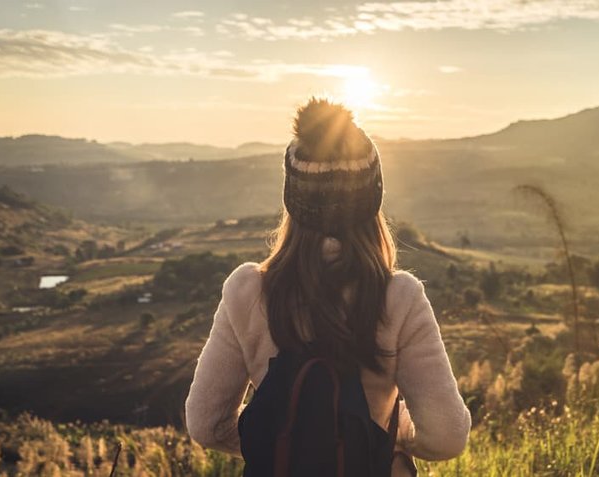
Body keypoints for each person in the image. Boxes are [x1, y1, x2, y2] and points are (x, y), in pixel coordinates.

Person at [185, 98, 471, 475]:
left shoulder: (246, 291)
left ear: (293, 201)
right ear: (372, 201)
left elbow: (206, 425)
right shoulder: (399, 298)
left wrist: (286, 442)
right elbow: (447, 435)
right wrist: (387, 438)